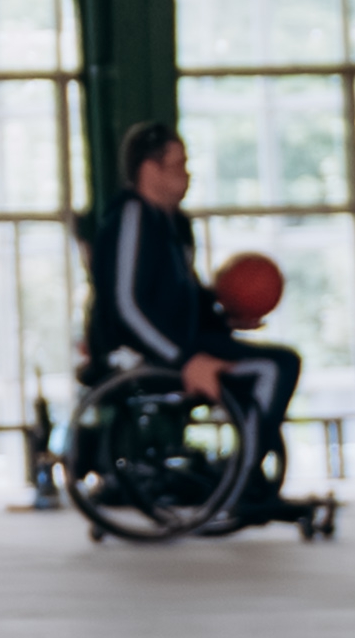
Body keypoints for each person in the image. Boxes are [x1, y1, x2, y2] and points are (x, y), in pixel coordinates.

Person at [88, 123, 293, 484]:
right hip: (143, 355)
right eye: (179, 165)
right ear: (150, 171)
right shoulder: (132, 217)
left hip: (181, 345)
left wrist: (226, 314)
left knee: (282, 362)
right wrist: (184, 360)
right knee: (272, 369)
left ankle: (240, 471)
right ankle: (241, 481)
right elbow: (126, 308)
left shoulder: (174, 225)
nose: (187, 175)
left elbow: (187, 299)